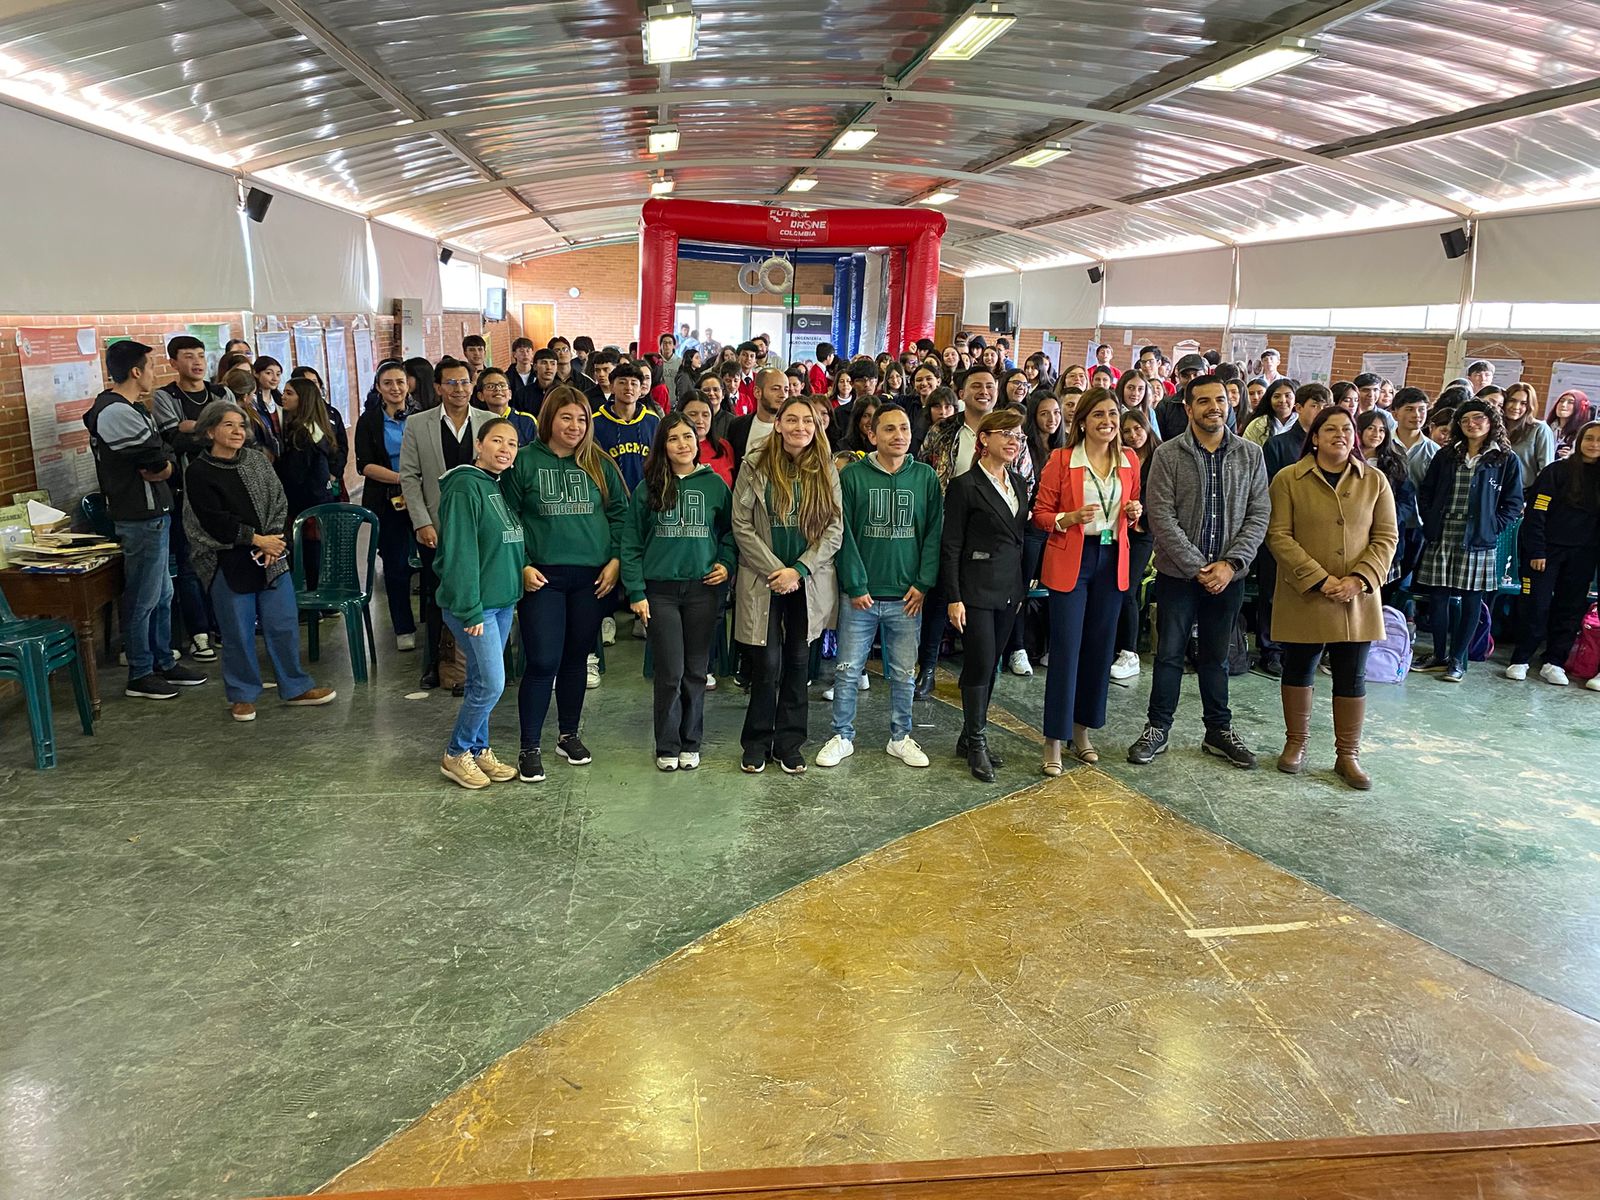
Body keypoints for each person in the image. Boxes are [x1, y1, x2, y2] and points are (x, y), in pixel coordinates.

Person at [1128, 375, 1270, 769]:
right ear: (1188, 409)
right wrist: (1197, 567)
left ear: (1230, 404)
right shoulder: (1169, 455)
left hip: (1230, 577)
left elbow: (1259, 515)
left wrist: (1230, 564)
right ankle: (1157, 728)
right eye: (1203, 401)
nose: (1214, 407)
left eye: (1220, 400)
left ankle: (1218, 731)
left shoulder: (1250, 455)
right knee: (1170, 655)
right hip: (1178, 577)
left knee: (1216, 657)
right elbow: (1160, 514)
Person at [500, 386, 628, 782]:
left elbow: (622, 515)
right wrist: (521, 565)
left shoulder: (599, 464)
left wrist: (616, 561)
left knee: (576, 658)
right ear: (549, 419)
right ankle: (529, 746)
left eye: (582, 419)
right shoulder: (523, 463)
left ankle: (568, 734)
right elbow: (506, 518)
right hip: (543, 578)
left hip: (592, 579)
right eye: (566, 417)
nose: (575, 426)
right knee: (541, 660)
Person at [1267, 407, 1397, 789]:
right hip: (1305, 593)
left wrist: (1359, 579)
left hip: (1356, 597)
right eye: (1330, 429)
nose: (1339, 435)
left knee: (1351, 675)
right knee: (1298, 669)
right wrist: (1320, 579)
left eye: (1346, 429)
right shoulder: (1289, 479)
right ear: (1316, 437)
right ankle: (1296, 745)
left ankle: (1347, 755)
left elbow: (1386, 537)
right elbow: (1278, 535)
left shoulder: (1375, 481)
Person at [182, 400, 336, 722]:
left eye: (241, 425)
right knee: (237, 630)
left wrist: (272, 542)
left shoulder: (255, 461)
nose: (238, 431)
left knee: (282, 623)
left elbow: (279, 501)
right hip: (227, 557)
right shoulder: (198, 471)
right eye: (228, 425)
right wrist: (255, 539)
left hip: (271, 552)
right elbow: (212, 520)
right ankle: (242, 695)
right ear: (210, 431)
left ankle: (294, 686)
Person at [816, 405, 941, 772]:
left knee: (903, 672)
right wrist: (854, 583)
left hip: (907, 597)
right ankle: (842, 735)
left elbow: (934, 533)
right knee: (848, 668)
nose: (898, 435)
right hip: (861, 596)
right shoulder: (853, 476)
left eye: (903, 428)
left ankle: (900, 736)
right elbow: (843, 533)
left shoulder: (926, 478)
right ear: (872, 435)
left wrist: (923, 583)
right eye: (889, 429)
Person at [84, 340, 208, 699]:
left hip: (156, 511)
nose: (155, 374)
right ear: (136, 371)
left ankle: (162, 662)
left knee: (162, 593)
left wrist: (166, 459)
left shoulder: (133, 407)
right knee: (143, 596)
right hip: (138, 516)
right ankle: (140, 671)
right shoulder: (113, 410)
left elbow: (166, 448)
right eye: (151, 367)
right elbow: (156, 456)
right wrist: (166, 462)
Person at [731, 396, 843, 774]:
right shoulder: (754, 463)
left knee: (798, 662)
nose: (800, 428)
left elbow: (834, 528)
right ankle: (757, 741)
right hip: (765, 579)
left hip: (806, 580)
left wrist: (799, 569)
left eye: (808, 422)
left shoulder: (825, 468)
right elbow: (741, 525)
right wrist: (777, 570)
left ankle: (790, 743)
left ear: (817, 427)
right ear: (777, 424)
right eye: (791, 420)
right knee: (767, 663)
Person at [1032, 388, 1142, 774]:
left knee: (1099, 651)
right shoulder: (1062, 459)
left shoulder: (1128, 460)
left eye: (1113, 414)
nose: (1107, 422)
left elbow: (1134, 505)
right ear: (1081, 421)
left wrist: (1133, 510)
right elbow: (1041, 515)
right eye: (1098, 415)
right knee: (1066, 650)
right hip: (1073, 561)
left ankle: (1082, 732)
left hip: (1112, 561)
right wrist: (1070, 517)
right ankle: (1053, 740)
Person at [623, 413, 736, 771]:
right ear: (663, 446)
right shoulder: (649, 487)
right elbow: (631, 544)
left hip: (703, 590)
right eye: (673, 439)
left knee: (696, 672)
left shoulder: (715, 485)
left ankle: (692, 741)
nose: (683, 444)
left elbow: (731, 533)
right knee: (670, 672)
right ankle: (667, 744)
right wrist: (636, 591)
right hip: (660, 592)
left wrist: (726, 563)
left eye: (688, 437)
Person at [431, 417, 524, 788]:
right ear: (479, 445)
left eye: (512, 444)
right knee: (492, 683)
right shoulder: (464, 486)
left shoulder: (495, 486)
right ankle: (456, 752)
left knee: (478, 680)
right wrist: (469, 607)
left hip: (501, 601)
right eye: (497, 441)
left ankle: (479, 749)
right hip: (476, 605)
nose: (505, 449)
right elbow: (459, 552)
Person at [940, 410, 1030, 782]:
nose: (1014, 441)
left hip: (1009, 588)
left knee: (992, 663)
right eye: (1006, 434)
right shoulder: (965, 486)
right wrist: (953, 596)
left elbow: (1020, 539)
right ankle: (977, 742)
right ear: (985, 439)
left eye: (1019, 436)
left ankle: (967, 736)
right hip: (974, 589)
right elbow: (951, 545)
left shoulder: (1020, 483)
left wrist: (1022, 586)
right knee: (978, 663)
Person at [399, 358, 497, 689]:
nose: (459, 389)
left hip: (480, 527)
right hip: (437, 529)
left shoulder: (489, 421)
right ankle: (435, 663)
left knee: (479, 593)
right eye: (451, 383)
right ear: (438, 387)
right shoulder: (418, 423)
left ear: (474, 386)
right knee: (436, 595)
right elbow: (409, 477)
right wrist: (421, 522)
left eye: (465, 383)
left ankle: (479, 664)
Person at [1415, 399, 1524, 683]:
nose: (1471, 424)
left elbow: (1513, 503)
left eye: (1478, 419)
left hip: (1478, 537)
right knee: (1438, 598)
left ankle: (1458, 660)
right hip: (1443, 532)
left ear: (1491, 422)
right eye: (1465, 421)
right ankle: (1439, 655)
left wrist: (1492, 526)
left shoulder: (1504, 458)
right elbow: (1426, 491)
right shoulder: (1447, 455)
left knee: (1472, 600)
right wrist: (1429, 518)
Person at [1506, 421, 1600, 687]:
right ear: (1579, 441)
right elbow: (1536, 514)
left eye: (1599, 440)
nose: (1594, 445)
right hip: (1546, 552)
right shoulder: (1556, 472)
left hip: (1583, 556)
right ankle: (1521, 658)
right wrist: (1537, 550)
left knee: (1569, 610)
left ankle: (1554, 662)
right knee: (1536, 605)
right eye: (1589, 438)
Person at [154, 335, 227, 663]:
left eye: (201, 355)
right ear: (173, 362)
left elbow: (235, 435)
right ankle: (199, 633)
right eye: (188, 356)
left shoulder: (220, 393)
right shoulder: (164, 396)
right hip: (185, 494)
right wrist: (211, 430)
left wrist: (192, 428)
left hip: (223, 491)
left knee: (223, 559)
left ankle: (222, 623)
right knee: (189, 564)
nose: (197, 362)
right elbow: (173, 442)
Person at [354, 361, 419, 651]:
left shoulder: (421, 415)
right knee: (396, 564)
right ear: (379, 387)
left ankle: (438, 622)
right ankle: (403, 626)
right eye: (388, 383)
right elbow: (364, 465)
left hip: (424, 497)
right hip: (387, 499)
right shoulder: (368, 421)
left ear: (409, 385)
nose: (395, 388)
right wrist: (403, 479)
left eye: (400, 382)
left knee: (433, 562)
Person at [274, 374, 341, 589]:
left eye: (289, 393)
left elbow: (295, 474)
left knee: (312, 554)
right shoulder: (313, 427)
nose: (283, 397)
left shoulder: (303, 432)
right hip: (317, 500)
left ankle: (316, 602)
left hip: (309, 503)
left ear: (303, 399)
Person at [1111, 409, 1157, 682]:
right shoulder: (1119, 456)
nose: (1132, 435)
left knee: (1128, 589)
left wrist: (1143, 519)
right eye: (1126, 431)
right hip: (1119, 530)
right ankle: (1114, 648)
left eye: (1137, 429)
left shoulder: (1159, 456)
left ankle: (1130, 653)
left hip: (1142, 532)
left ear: (1147, 427)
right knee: (1114, 589)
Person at [1357, 410, 1417, 606]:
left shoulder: (1394, 462)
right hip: (1353, 533)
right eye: (1371, 429)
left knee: (1378, 593)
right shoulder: (1347, 459)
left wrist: (1388, 517)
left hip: (1384, 534)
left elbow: (1407, 501)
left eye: (1382, 430)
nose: (1376, 434)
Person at [728, 366, 787, 465]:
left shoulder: (790, 429)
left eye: (786, 390)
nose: (783, 395)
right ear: (757, 392)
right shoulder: (737, 425)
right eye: (776, 389)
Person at [680, 391, 736, 487]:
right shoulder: (671, 448)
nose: (700, 420)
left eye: (705, 415)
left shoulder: (724, 447)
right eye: (693, 414)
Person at [1502, 382, 1555, 484]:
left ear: (1530, 406)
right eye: (1512, 400)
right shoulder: (1495, 427)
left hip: (1524, 493)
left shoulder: (1539, 429)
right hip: (1494, 490)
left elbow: (1546, 470)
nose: (1516, 407)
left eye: (1523, 403)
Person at [470, 367, 538, 445]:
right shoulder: (475, 423)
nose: (498, 389)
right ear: (481, 396)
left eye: (502, 385)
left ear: (510, 394)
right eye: (490, 386)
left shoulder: (527, 422)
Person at [1242, 378, 1297, 446]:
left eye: (1287, 396)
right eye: (1276, 396)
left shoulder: (1303, 422)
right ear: (1269, 400)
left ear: (1295, 399)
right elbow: (1246, 451)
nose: (1282, 400)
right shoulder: (1257, 425)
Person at [1548, 390, 1592, 458]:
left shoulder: (1583, 433)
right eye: (1561, 401)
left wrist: (1572, 457)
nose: (1563, 405)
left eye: (1570, 402)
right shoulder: (1546, 428)